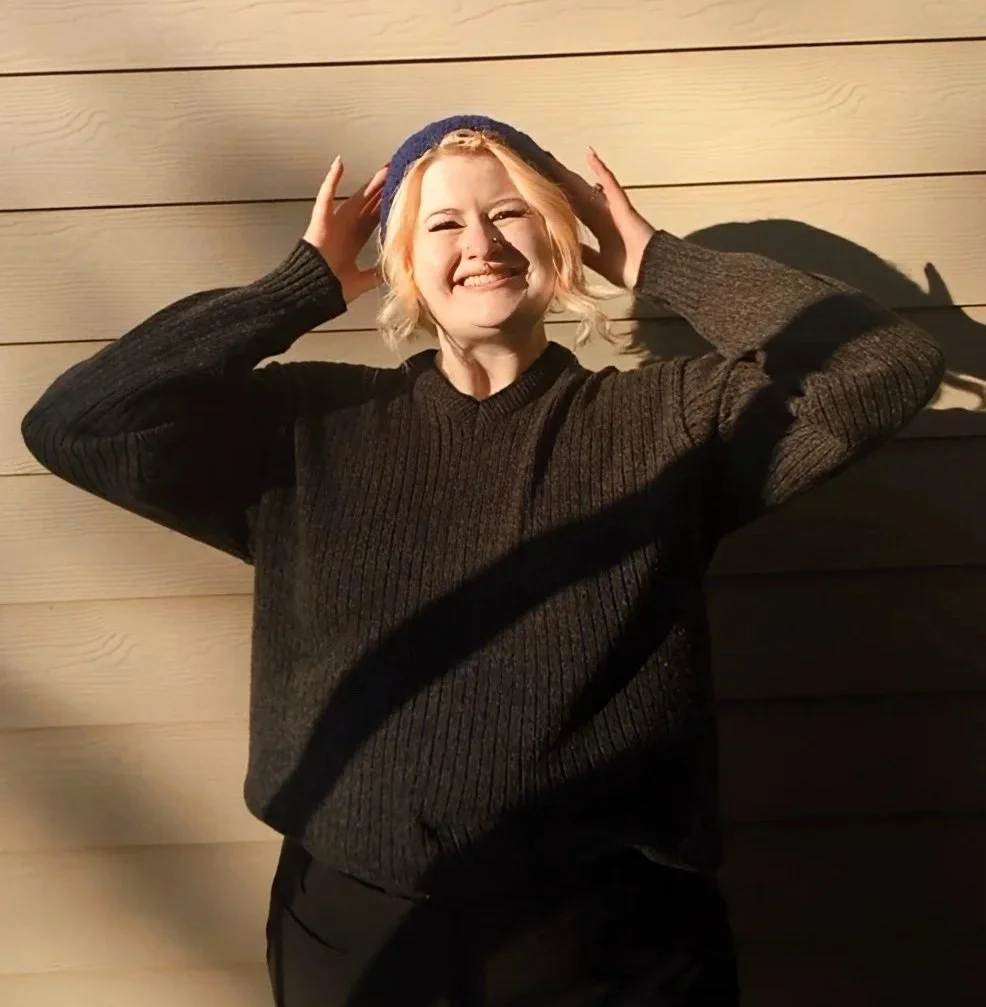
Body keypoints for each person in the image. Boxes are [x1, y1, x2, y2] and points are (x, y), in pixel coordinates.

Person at [21, 114, 945, 1005]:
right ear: (402, 264)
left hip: (608, 941)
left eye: (511, 213)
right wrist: (297, 289)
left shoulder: (666, 423)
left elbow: (884, 368)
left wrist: (658, 261)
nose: (483, 244)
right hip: (356, 932)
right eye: (444, 223)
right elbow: (79, 423)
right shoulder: (308, 428)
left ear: (561, 241)